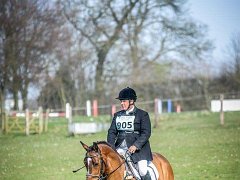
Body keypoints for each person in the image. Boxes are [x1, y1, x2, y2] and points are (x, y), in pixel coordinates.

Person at [107, 87, 152, 180]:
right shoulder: (117, 115)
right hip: (120, 148)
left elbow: (146, 133)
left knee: (143, 170)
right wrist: (111, 147)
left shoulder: (142, 115)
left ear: (131, 101)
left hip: (139, 150)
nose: (121, 103)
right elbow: (112, 132)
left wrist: (136, 145)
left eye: (124, 101)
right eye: (121, 101)